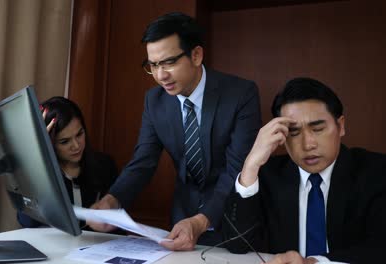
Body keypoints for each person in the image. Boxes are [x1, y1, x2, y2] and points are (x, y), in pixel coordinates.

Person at [88, 12, 261, 250]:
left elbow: (236, 168)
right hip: (181, 222)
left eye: (169, 62)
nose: (160, 76)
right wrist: (112, 200)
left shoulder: (240, 94)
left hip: (231, 220)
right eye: (153, 65)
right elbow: (143, 161)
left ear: (196, 55)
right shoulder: (155, 101)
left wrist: (201, 221)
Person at [223, 77, 386, 263]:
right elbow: (237, 243)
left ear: (340, 126)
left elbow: (381, 246)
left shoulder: (376, 172)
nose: (308, 144)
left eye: (317, 129)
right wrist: (250, 165)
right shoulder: (269, 175)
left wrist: (315, 263)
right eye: (294, 132)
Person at [17, 96, 118, 229]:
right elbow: (28, 222)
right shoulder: (41, 173)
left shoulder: (104, 165)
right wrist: (37, 161)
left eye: (79, 134)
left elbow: (118, 227)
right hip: (52, 247)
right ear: (49, 143)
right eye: (64, 141)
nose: (76, 146)